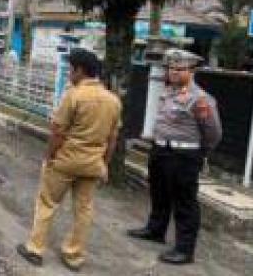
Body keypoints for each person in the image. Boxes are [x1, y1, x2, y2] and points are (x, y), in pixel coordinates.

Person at [16, 49, 121, 271]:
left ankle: (35, 248)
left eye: (71, 70)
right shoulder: (113, 101)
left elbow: (58, 131)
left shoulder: (73, 95)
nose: (69, 74)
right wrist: (105, 164)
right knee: (83, 210)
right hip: (93, 163)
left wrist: (50, 156)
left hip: (67, 160)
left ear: (80, 71)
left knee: (47, 203)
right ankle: (74, 255)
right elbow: (113, 138)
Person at [127, 48, 222, 265]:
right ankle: (155, 230)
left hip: (184, 155)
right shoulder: (167, 93)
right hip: (161, 150)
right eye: (171, 68)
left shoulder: (201, 100)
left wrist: (200, 153)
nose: (174, 72)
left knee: (184, 202)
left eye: (180, 69)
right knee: (159, 193)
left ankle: (184, 249)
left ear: (192, 71)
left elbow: (214, 133)